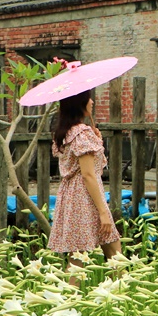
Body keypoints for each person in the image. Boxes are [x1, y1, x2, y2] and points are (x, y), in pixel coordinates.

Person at [49, 89, 122, 270]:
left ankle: (114, 293)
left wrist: (95, 139)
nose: (92, 102)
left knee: (83, 258)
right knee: (108, 255)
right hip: (86, 196)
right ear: (79, 103)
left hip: (72, 197)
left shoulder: (67, 132)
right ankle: (117, 292)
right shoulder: (82, 134)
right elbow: (88, 174)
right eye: (88, 99)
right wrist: (103, 212)